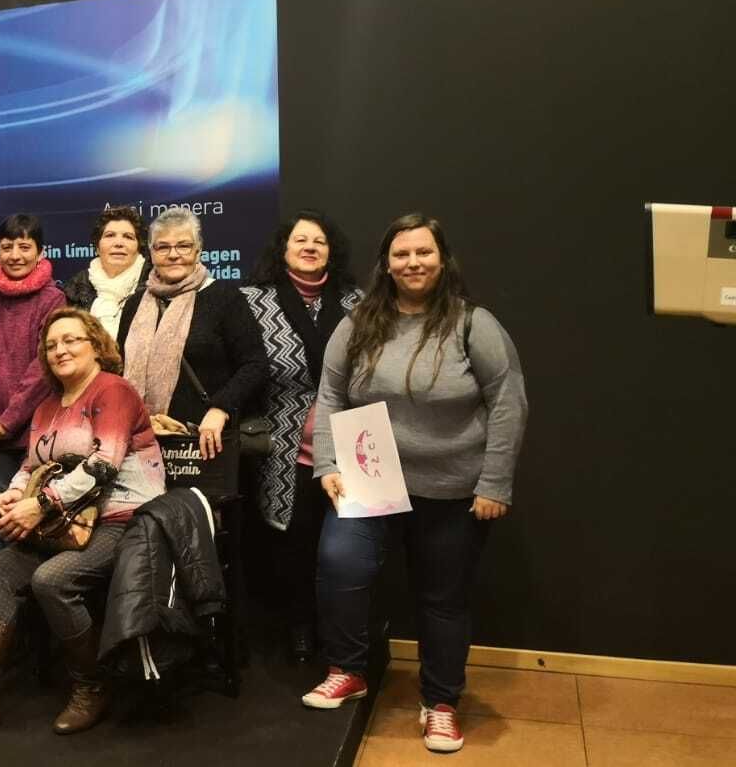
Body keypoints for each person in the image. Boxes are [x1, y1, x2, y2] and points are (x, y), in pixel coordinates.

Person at [299, 214, 527, 756]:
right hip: (369, 476)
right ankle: (348, 670)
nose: (412, 263)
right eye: (401, 255)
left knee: (443, 600)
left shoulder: (475, 325)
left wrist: (495, 482)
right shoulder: (358, 322)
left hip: (452, 489)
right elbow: (330, 393)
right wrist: (327, 463)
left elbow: (509, 404)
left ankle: (441, 702)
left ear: (442, 259)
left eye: (423, 252)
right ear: (387, 263)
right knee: (340, 568)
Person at [0, 308, 165, 736]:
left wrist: (43, 503)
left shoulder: (114, 391)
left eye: (71, 340)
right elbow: (31, 467)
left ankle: (92, 686)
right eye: (51, 345)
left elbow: (104, 465)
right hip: (64, 521)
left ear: (96, 345)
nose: (60, 350)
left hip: (124, 520)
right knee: (1, 566)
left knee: (52, 579)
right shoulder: (48, 406)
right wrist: (15, 493)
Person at [239, 210, 362, 663]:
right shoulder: (254, 301)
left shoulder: (358, 303)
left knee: (349, 546)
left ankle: (344, 631)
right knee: (292, 544)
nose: (310, 247)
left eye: (319, 241)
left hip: (348, 443)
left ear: (332, 251)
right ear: (284, 249)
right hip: (284, 443)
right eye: (300, 240)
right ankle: (300, 627)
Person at [117, 207, 268, 473]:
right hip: (142, 445)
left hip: (205, 444)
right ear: (150, 253)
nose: (174, 254)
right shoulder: (134, 306)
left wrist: (221, 408)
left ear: (198, 250)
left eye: (184, 246)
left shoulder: (224, 297)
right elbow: (118, 369)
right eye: (163, 247)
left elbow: (255, 365)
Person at [0, 213, 66, 492]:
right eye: (7, 247)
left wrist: (9, 420)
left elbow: (44, 367)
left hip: (38, 430)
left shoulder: (53, 299)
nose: (15, 255)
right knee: (0, 520)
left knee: (34, 520)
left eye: (24, 247)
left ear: (40, 252)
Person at [62, 205, 149, 338]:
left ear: (139, 248)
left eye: (128, 237)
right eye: (110, 235)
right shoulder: (74, 291)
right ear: (97, 247)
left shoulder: (154, 287)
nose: (119, 243)